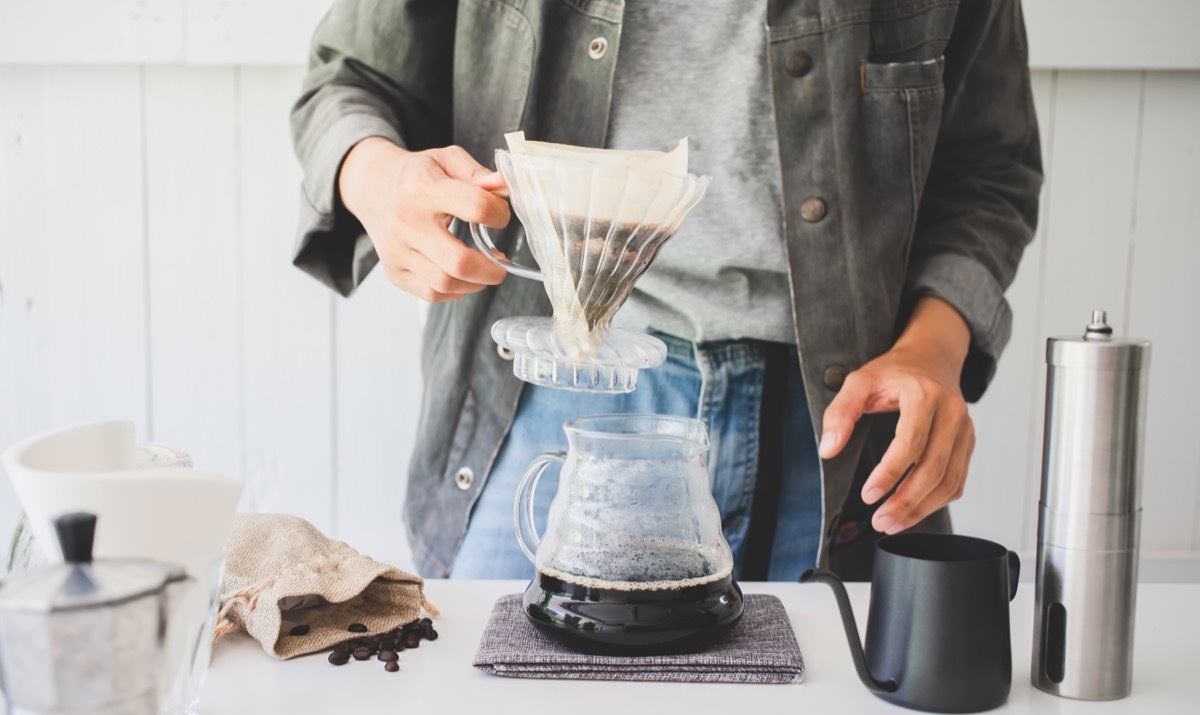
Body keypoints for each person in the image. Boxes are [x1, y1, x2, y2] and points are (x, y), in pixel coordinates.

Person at [290, 0, 1042, 581]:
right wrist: (380, 179)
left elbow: (990, 167)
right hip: (548, 400)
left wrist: (933, 348)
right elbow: (349, 83)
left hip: (836, 433)